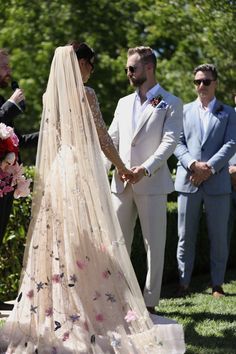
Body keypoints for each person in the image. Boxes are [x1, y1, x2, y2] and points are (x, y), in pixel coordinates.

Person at [0, 44, 185, 353]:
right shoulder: (87, 95)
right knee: (90, 236)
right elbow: (103, 138)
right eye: (91, 64)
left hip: (61, 169)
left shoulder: (51, 97)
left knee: (62, 239)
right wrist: (123, 167)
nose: (91, 71)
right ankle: (88, 306)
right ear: (82, 63)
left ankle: (58, 307)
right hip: (82, 170)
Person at [106, 46, 183, 314]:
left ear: (149, 68)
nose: (128, 72)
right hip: (120, 183)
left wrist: (145, 169)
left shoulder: (171, 102)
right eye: (128, 68)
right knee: (117, 243)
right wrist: (107, 168)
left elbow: (169, 143)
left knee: (154, 245)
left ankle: (150, 303)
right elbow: (111, 140)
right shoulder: (122, 103)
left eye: (132, 68)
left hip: (151, 184)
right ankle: (118, 298)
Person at [174, 64, 236, 298]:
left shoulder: (229, 112)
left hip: (217, 181)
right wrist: (193, 164)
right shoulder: (183, 110)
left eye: (206, 81)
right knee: (184, 236)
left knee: (219, 236)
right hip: (188, 180)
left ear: (215, 83)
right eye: (197, 82)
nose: (201, 86)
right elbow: (177, 143)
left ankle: (217, 284)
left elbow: (231, 143)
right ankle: (183, 283)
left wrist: (208, 168)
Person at [0, 49, 38, 311]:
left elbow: (18, 140)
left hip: (4, 185)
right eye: (4, 66)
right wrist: (11, 106)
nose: (9, 70)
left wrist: (49, 131)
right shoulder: (5, 103)